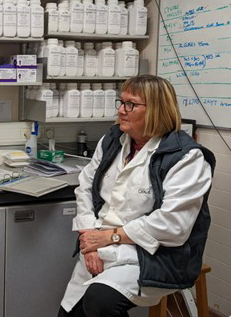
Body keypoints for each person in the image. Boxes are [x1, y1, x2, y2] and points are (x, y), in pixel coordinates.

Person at [58, 75, 215, 317]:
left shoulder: (186, 157)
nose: (122, 110)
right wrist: (90, 241)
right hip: (100, 245)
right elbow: (85, 186)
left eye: (131, 104)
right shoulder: (113, 140)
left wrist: (110, 238)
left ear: (157, 110)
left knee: (101, 302)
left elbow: (173, 224)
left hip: (153, 255)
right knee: (72, 313)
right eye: (121, 102)